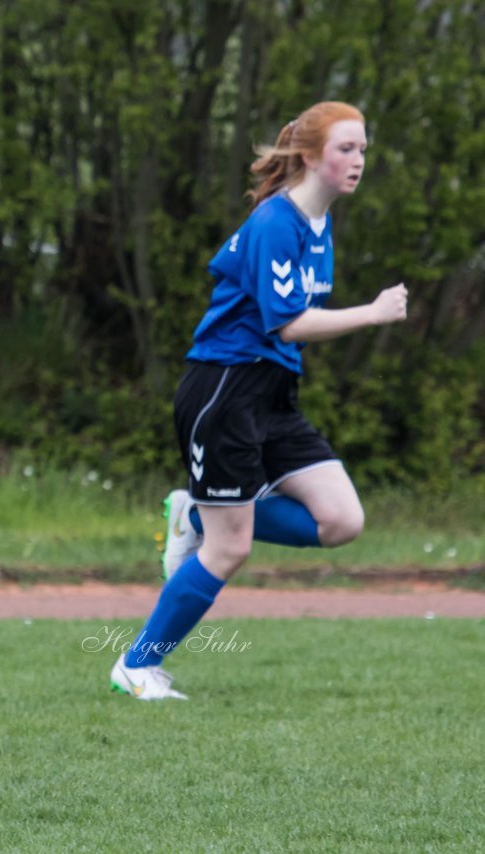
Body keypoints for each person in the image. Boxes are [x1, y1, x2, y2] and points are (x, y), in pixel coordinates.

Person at [111, 102, 408, 700]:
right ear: (309, 155)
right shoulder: (277, 222)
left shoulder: (321, 225)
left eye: (364, 149)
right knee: (232, 548)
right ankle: (136, 667)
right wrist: (372, 314)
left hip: (272, 395)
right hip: (224, 389)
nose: (358, 161)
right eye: (346, 149)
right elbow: (288, 324)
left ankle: (195, 513)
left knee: (342, 519)